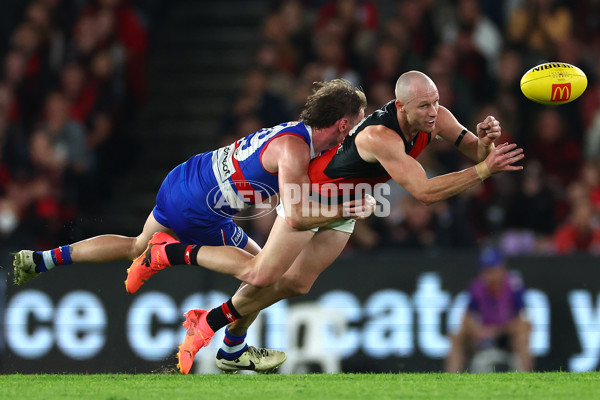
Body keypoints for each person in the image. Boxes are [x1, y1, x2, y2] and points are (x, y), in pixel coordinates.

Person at [124, 70, 525, 374]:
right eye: (425, 106)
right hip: (311, 196)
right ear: (402, 107)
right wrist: (485, 171)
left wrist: (485, 141)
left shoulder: (436, 119)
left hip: (348, 205)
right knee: (261, 273)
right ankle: (171, 253)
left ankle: (212, 326)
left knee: (297, 283)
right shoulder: (379, 138)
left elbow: (474, 150)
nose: (434, 112)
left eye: (436, 102)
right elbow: (424, 192)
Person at [11, 78, 368, 373]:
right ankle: (225, 339)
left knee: (136, 245)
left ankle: (41, 259)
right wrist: (348, 206)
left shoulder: (296, 134)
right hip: (203, 208)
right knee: (264, 273)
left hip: (186, 178)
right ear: (342, 123)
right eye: (359, 118)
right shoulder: (295, 149)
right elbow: (295, 214)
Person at [445, 246, 533, 373]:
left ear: (502, 269)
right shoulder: (477, 286)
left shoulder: (513, 285)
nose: (489, 275)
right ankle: (451, 381)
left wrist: (497, 331)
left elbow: (522, 319)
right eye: (486, 270)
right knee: (456, 336)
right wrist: (476, 330)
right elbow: (466, 317)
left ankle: (525, 379)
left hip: (505, 335)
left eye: (492, 270)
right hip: (482, 335)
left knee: (523, 332)